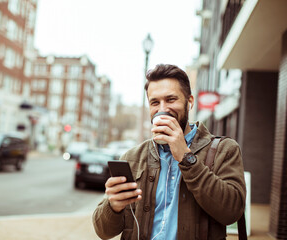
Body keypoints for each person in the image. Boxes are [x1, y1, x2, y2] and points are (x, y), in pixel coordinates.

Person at [92, 64, 246, 240]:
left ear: (190, 102)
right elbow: (103, 231)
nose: (162, 109)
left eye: (171, 99)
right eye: (155, 102)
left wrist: (186, 157)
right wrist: (113, 206)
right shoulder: (132, 157)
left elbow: (232, 212)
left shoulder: (224, 150)